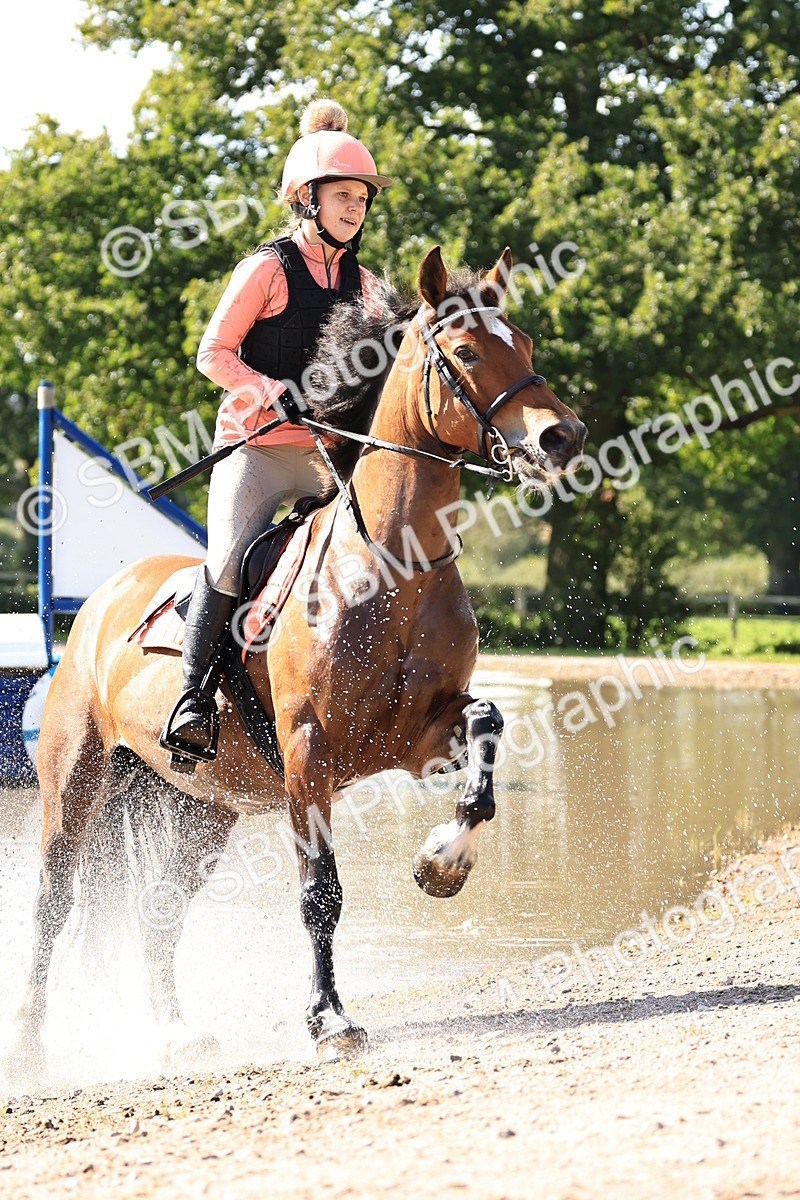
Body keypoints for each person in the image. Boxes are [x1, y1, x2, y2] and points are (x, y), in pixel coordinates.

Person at [160, 98, 392, 767]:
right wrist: (269, 391)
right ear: (306, 198)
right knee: (230, 561)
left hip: (327, 459)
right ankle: (193, 702)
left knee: (383, 556)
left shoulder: (367, 285)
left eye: (362, 199)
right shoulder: (265, 269)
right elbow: (212, 355)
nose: (355, 208)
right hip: (257, 451)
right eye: (343, 195)